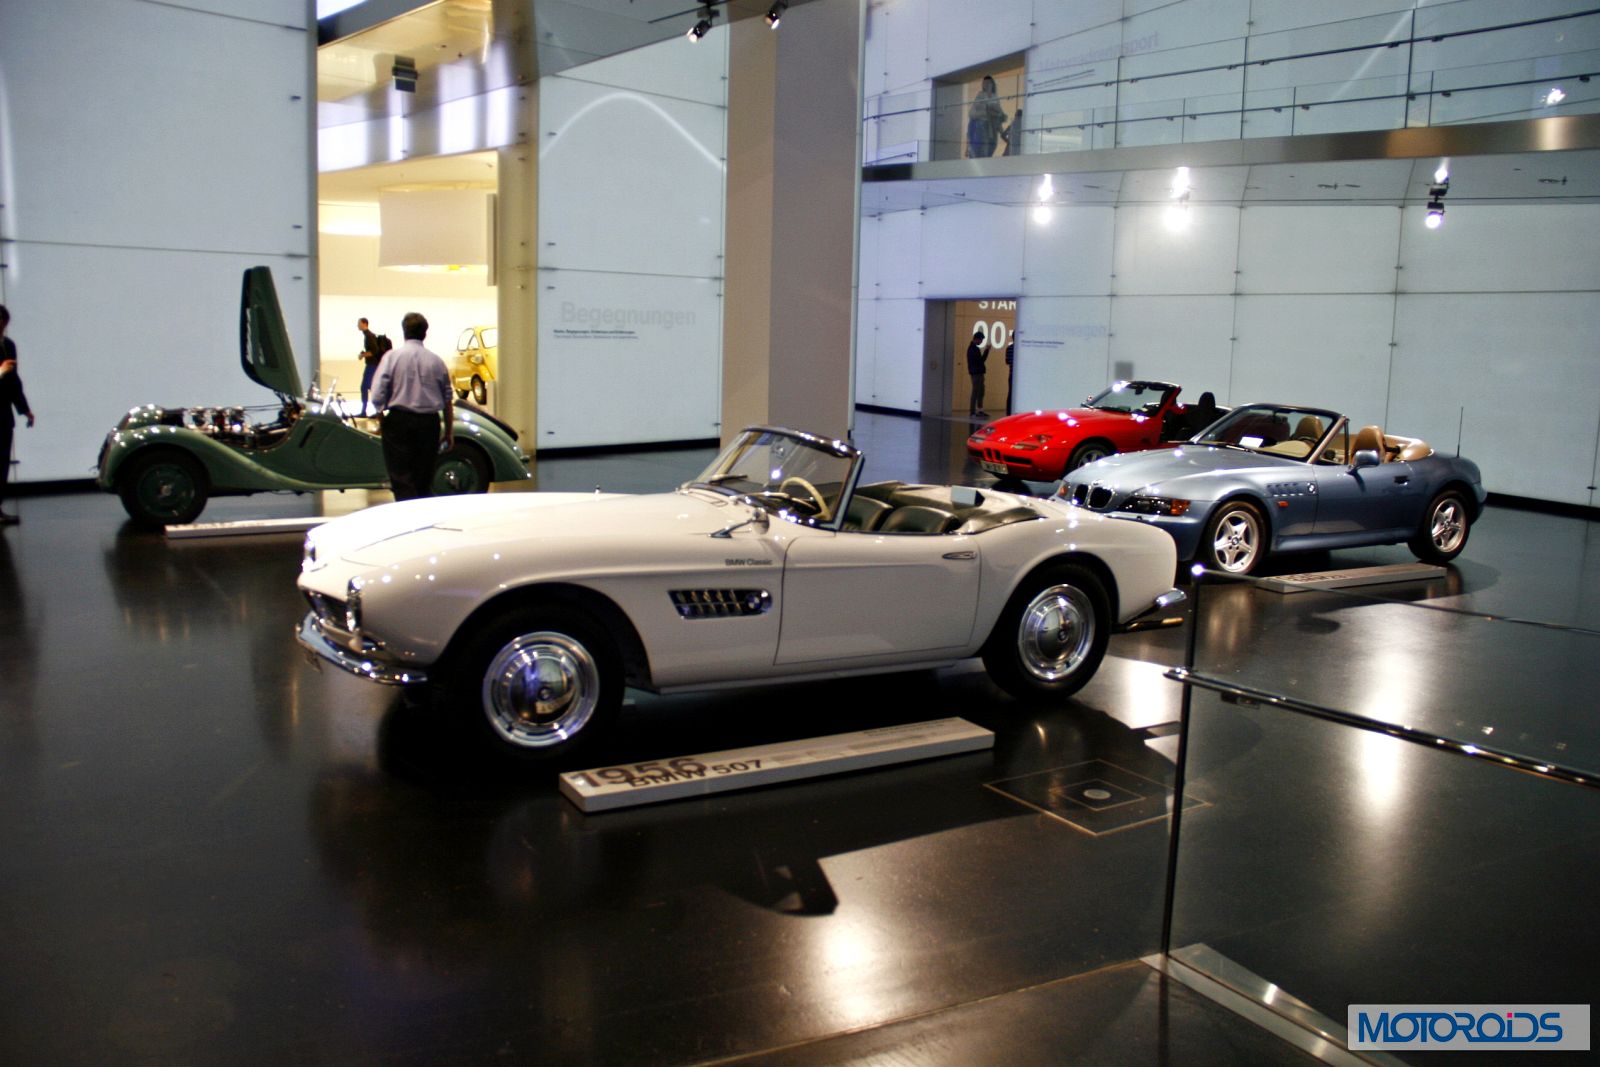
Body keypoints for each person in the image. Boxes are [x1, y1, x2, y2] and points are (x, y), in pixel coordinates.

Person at [370, 312, 453, 502]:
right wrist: (448, 432)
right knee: (423, 477)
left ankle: (406, 511)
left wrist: (382, 418)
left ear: (404, 332)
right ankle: (422, 513)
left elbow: (377, 394)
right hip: (429, 423)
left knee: (401, 476)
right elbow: (447, 400)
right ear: (425, 333)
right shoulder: (436, 362)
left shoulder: (392, 357)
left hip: (398, 422)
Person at [1, 310, 36, 525]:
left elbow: (14, 382)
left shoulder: (8, 345)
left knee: (3, 462)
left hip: (3, 414)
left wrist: (24, 409)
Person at [966, 76, 1006, 159]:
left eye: (988, 83)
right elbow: (972, 113)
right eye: (984, 83)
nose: (986, 85)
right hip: (981, 126)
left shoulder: (995, 96)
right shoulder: (980, 95)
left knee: (990, 149)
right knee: (983, 150)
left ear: (992, 84)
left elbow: (1000, 114)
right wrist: (986, 113)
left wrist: (1002, 131)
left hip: (992, 128)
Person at [357, 317, 382, 416]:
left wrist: (363, 355)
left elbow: (375, 351)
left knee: (364, 387)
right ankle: (377, 411)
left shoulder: (369, 336)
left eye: (359, 323)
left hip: (372, 365)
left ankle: (365, 411)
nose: (358, 325)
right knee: (371, 388)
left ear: (364, 324)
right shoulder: (368, 335)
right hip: (372, 365)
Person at [966, 328, 988, 419]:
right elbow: (981, 361)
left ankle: (979, 410)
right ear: (977, 339)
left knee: (980, 392)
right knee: (975, 392)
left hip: (977, 373)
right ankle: (972, 412)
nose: (981, 342)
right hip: (976, 373)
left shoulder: (973, 348)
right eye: (981, 340)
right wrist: (986, 351)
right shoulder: (973, 349)